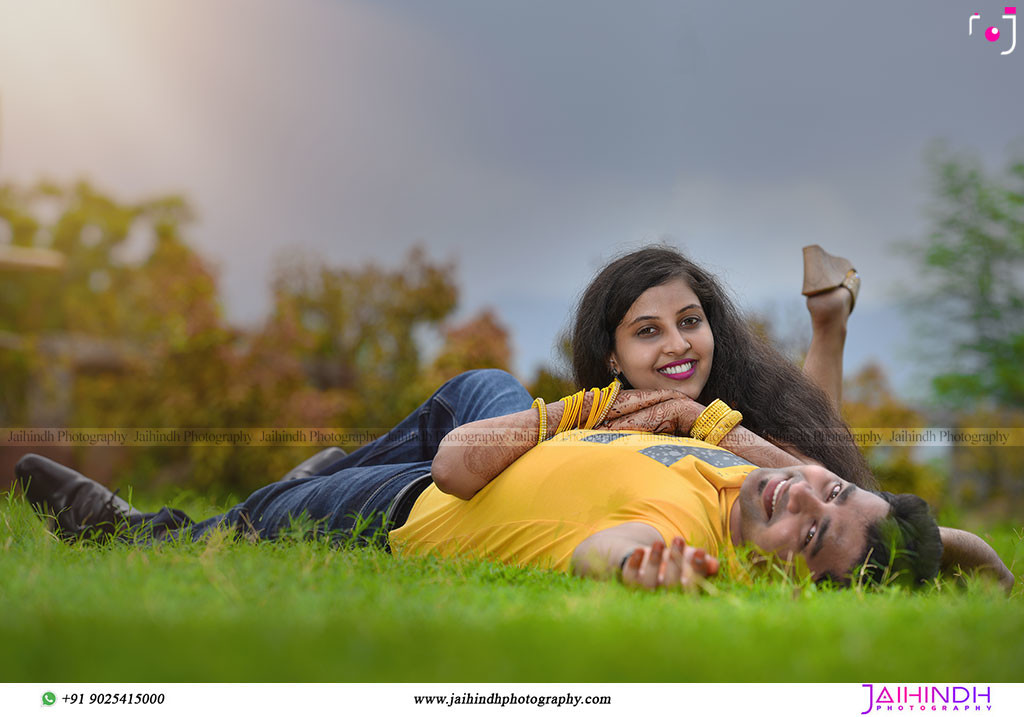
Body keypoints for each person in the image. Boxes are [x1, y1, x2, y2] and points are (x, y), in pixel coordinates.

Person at [14, 370, 943, 590]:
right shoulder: (736, 473)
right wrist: (960, 550)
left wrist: (638, 570)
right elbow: (804, 475)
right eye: (828, 492)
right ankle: (334, 461)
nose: (802, 501)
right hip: (490, 443)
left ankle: (124, 528)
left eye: (812, 535)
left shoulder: (690, 535)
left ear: (786, 578)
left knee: (259, 519)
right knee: (476, 387)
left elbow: (610, 551)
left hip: (412, 502)